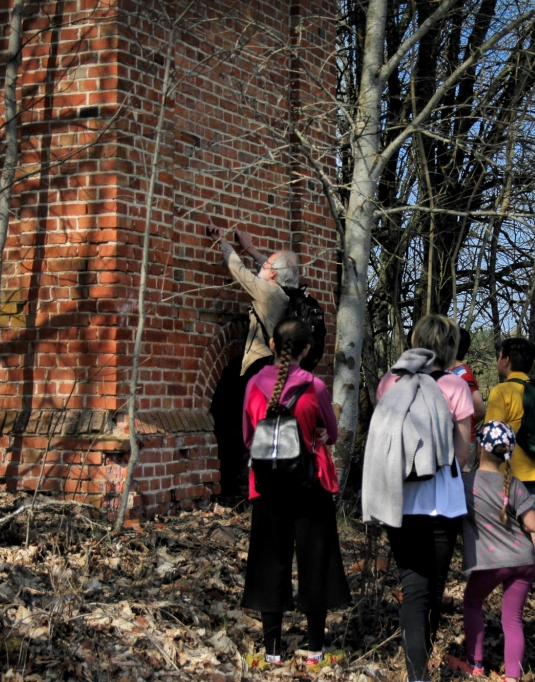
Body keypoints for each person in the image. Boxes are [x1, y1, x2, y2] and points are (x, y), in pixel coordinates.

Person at [367, 314, 473, 682]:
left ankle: (417, 675)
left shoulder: (389, 382)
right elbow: (462, 453)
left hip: (399, 500)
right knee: (434, 589)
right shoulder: (456, 387)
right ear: (450, 348)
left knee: (412, 590)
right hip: (443, 502)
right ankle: (422, 663)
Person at [240, 318, 349, 671]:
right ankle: (315, 651)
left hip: (267, 487)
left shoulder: (253, 385)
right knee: (316, 563)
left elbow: (248, 437)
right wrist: (316, 433)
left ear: (271, 345)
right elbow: (332, 433)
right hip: (309, 485)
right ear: (306, 349)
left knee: (269, 564)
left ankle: (272, 653)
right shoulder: (314, 386)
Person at [449, 421, 535, 681]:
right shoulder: (514, 484)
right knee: (513, 620)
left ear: (479, 448)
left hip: (491, 562)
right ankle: (512, 677)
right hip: (523, 560)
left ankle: (475, 664)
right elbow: (533, 525)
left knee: (472, 602)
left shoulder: (465, 483)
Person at [207, 224, 298, 379]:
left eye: (266, 264)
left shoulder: (269, 292)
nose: (263, 264)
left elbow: (241, 272)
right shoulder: (288, 292)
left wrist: (223, 241)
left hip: (261, 364)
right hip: (277, 364)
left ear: (273, 273)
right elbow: (268, 267)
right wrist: (250, 248)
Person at [484, 337, 535, 506]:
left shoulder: (501, 391)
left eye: (499, 356)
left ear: (505, 360)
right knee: (528, 520)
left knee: (505, 522)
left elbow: (492, 436)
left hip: (508, 473)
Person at [448, 328, 487, 459]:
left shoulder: (464, 374)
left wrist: (466, 421)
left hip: (463, 440)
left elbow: (479, 409)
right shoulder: (446, 372)